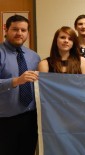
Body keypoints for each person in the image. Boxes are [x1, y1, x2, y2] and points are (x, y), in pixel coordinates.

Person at [0, 14, 40, 155]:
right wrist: (16, 81)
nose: (19, 33)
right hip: (5, 121)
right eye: (15, 29)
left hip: (30, 118)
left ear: (28, 32)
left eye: (23, 30)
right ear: (6, 29)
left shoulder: (34, 56)